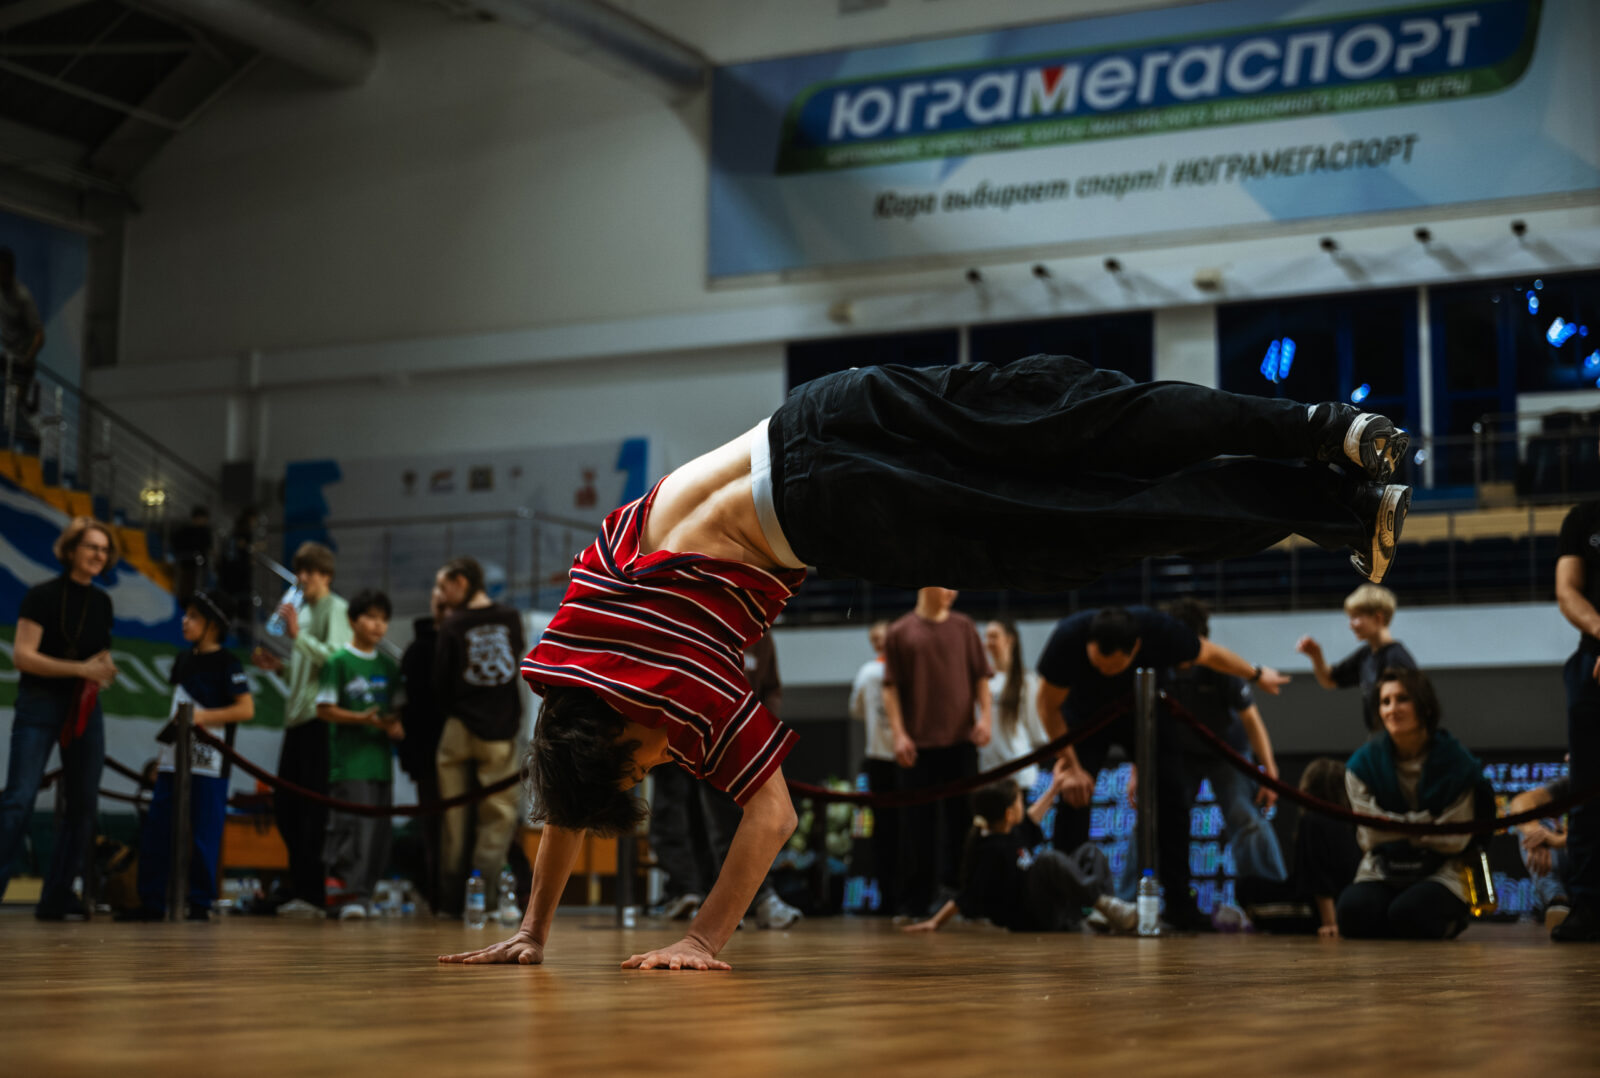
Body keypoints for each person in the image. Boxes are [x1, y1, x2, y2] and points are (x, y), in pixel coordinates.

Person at [442, 356, 1409, 970]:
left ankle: (1338, 513)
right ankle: (1327, 432)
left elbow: (771, 815)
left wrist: (703, 937)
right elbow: (565, 780)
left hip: (834, 501)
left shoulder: (672, 688)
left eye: (642, 765)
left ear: (623, 725)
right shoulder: (576, 632)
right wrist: (534, 928)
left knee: (1083, 524)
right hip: (830, 406)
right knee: (1073, 414)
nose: (659, 764)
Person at [1035, 604, 1289, 916]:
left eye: (1112, 668)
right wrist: (1071, 766)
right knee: (1074, 795)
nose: (1104, 673)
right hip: (1085, 719)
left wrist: (1258, 674)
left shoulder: (1162, 632)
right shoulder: (1067, 639)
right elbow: (1047, 707)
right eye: (1098, 665)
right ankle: (1066, 902)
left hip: (1147, 715)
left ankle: (1181, 905)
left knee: (1172, 800)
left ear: (1136, 648)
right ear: (1089, 645)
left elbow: (1212, 654)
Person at [0, 518, 119, 919]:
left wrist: (103, 669)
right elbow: (22, 656)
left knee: (84, 805)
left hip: (83, 705)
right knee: (19, 799)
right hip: (39, 702)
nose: (99, 555)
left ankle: (57, 896)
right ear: (71, 550)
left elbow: (100, 656)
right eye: (91, 547)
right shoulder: (41, 595)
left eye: (104, 549)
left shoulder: (103, 603)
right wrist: (81, 669)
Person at [647, 632, 802, 929]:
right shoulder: (699, 623)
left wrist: (761, 733)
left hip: (729, 740)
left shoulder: (762, 636)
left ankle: (752, 898)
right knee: (673, 817)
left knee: (732, 821)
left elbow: (771, 688)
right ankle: (687, 892)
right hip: (680, 732)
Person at [123, 591, 254, 921]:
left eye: (194, 616)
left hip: (211, 762)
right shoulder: (183, 660)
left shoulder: (228, 662)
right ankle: (153, 901)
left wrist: (200, 718)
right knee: (158, 828)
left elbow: (245, 709)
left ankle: (200, 902)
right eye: (187, 615)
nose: (185, 621)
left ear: (214, 625)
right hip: (173, 758)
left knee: (203, 833)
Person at [1336, 667, 1493, 941]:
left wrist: (1395, 828)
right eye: (1385, 701)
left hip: (1444, 869)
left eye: (1402, 699)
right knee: (1352, 913)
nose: (1392, 709)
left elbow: (1454, 839)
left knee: (1411, 913)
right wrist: (1424, 826)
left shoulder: (1458, 763)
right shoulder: (1362, 765)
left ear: (1425, 706)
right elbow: (1371, 835)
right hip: (1383, 868)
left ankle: (1452, 920)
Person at [1159, 598, 1289, 924]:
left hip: (1227, 752)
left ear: (1201, 641)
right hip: (1182, 754)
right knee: (1159, 820)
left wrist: (1269, 772)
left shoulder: (1219, 665)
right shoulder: (1160, 666)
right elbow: (1149, 723)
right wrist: (1137, 771)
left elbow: (1252, 719)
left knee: (1244, 816)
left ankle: (1271, 899)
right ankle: (1129, 900)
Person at [901, 775, 1137, 935]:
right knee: (1047, 860)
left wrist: (1055, 787)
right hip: (1032, 920)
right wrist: (935, 922)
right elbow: (967, 896)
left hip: (1055, 909)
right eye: (1020, 802)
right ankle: (1101, 903)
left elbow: (1034, 815)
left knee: (1090, 852)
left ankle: (1105, 914)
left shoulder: (1014, 833)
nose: (1024, 806)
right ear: (1009, 813)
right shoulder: (990, 850)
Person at [252, 541, 350, 916]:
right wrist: (279, 667)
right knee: (287, 806)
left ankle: (311, 892)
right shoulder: (306, 611)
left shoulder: (335, 608)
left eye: (310, 572)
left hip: (319, 718)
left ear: (326, 575)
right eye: (300, 571)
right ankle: (299, 884)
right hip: (297, 717)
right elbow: (308, 665)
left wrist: (298, 637)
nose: (302, 578)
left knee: (310, 809)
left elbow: (337, 659)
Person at [883, 588, 992, 917]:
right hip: (918, 747)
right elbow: (891, 687)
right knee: (917, 828)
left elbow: (981, 677)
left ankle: (964, 900)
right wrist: (899, 734)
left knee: (965, 825)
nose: (952, 593)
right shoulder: (899, 631)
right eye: (946, 585)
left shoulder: (965, 627)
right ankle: (915, 902)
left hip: (961, 743)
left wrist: (985, 718)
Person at [432, 557, 526, 915]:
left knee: (452, 818)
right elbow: (515, 663)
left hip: (458, 727)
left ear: (461, 581)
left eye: (444, 586)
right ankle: (483, 898)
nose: (441, 595)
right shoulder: (511, 617)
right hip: (499, 728)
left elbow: (439, 682)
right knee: (498, 817)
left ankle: (450, 900)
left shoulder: (453, 623)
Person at [316, 589, 405, 920]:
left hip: (381, 764)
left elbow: (397, 710)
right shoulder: (337, 662)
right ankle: (343, 898)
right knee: (350, 832)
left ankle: (364, 896)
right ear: (353, 621)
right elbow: (324, 709)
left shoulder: (388, 666)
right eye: (370, 617)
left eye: (383, 619)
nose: (378, 625)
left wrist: (395, 726)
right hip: (349, 764)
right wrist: (361, 719)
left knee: (378, 835)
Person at [1235, 758, 1362, 937]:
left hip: (1312, 910)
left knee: (1246, 888)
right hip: (1342, 905)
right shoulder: (1351, 823)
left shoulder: (1313, 821)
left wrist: (1330, 923)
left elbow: (1320, 877)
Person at [1555, 495, 1600, 941]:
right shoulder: (1583, 518)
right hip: (1591, 660)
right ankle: (1587, 902)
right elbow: (1567, 590)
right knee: (1585, 793)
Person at [1295, 583, 1418, 736]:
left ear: (1378, 617)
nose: (1351, 625)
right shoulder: (1365, 655)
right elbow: (1329, 680)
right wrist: (1316, 656)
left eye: (1356, 617)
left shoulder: (1396, 658)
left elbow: (1411, 710)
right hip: (1380, 738)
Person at [397, 581, 449, 913]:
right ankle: (438, 897)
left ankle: (450, 897)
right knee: (433, 831)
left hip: (461, 750)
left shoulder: (460, 641)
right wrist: (411, 758)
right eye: (439, 603)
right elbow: (409, 709)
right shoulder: (417, 650)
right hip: (428, 755)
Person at [847, 619, 898, 915]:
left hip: (902, 756)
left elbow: (856, 709)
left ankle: (900, 897)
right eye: (874, 639)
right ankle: (889, 898)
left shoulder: (875, 672)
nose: (879, 643)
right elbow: (856, 709)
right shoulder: (868, 672)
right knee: (885, 833)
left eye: (882, 637)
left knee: (899, 831)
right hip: (880, 756)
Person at [978, 619, 1049, 794]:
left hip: (1019, 775)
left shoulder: (1027, 681)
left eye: (994, 636)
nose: (988, 642)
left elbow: (1037, 732)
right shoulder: (982, 682)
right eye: (986, 637)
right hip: (988, 773)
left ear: (1009, 640)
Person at [1508, 772, 1572, 930]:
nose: (1567, 759)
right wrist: (1536, 834)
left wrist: (1556, 840)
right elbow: (1520, 802)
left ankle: (1560, 905)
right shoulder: (1575, 780)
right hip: (1572, 863)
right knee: (1532, 819)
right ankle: (1557, 901)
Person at [0, 245, 44, 454]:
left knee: (15, 409)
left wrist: (27, 358)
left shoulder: (22, 297)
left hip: (22, 365)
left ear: (10, 271)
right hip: (6, 360)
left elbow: (39, 335)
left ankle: (30, 442)